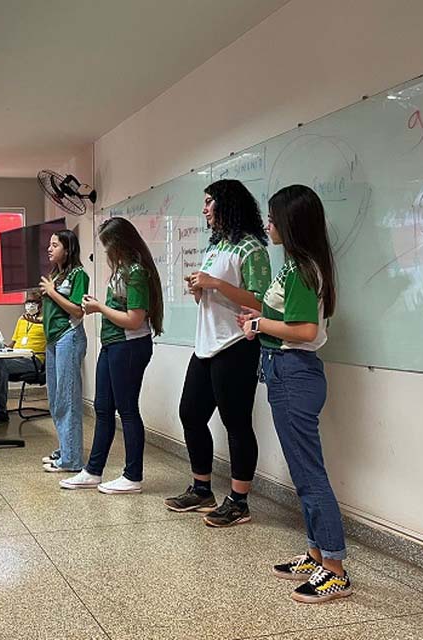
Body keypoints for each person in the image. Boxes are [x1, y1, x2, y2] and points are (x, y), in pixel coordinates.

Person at [238, 184, 352, 604]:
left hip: (295, 374)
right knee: (301, 471)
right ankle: (315, 552)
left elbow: (305, 332)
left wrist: (261, 327)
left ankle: (336, 568)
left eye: (272, 218)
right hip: (283, 370)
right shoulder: (292, 265)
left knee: (309, 473)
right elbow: (288, 317)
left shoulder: (303, 269)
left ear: (290, 222)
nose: (267, 225)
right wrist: (260, 317)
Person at [164, 180, 272, 527]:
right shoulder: (215, 247)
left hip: (236, 346)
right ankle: (201, 489)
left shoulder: (252, 249)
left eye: (210, 202)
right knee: (191, 414)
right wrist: (199, 289)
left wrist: (214, 284)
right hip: (206, 345)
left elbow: (261, 303)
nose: (204, 209)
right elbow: (213, 297)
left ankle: (239, 502)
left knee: (236, 423)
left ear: (228, 205)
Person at [60, 217, 164, 494]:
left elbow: (134, 319)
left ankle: (133, 476)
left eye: (109, 246)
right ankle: (93, 471)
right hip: (112, 345)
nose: (106, 252)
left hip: (129, 346)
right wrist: (99, 306)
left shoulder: (137, 272)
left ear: (121, 244)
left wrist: (99, 309)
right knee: (103, 408)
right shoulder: (121, 270)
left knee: (127, 410)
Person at [37, 229, 88, 472]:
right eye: (50, 244)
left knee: (68, 400)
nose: (50, 248)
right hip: (53, 341)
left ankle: (72, 460)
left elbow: (78, 310)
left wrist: (52, 293)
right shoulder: (55, 275)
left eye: (55, 245)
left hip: (69, 337)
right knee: (56, 400)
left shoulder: (79, 274)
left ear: (67, 250)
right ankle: (66, 448)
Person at [0, 289, 46, 423]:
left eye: (33, 302)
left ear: (40, 304)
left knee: (2, 366)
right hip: (16, 356)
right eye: (28, 301)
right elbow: (14, 342)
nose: (30, 305)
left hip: (33, 360)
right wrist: (1, 348)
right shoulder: (22, 319)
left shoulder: (46, 321)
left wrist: (39, 322)